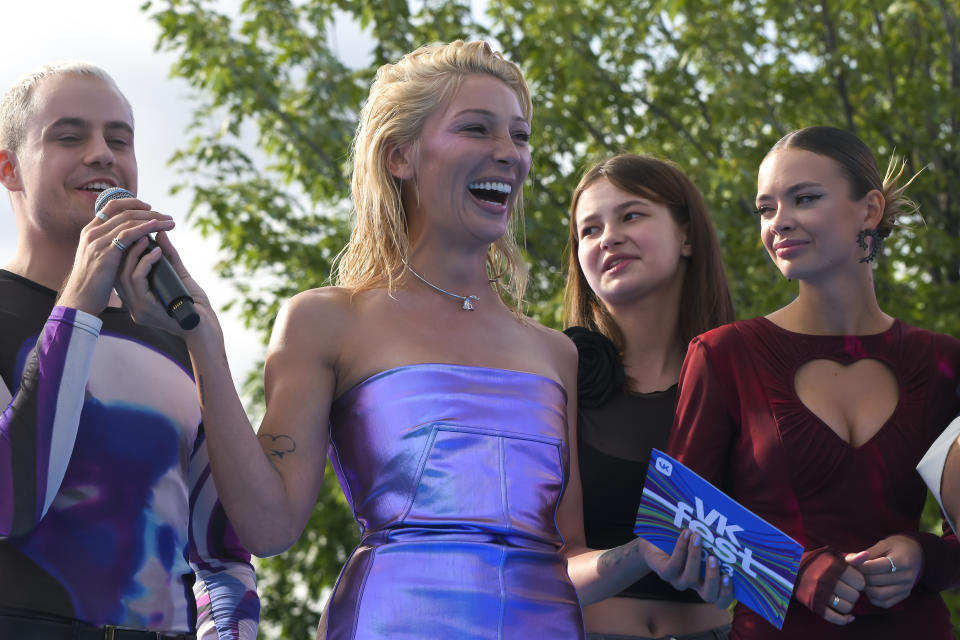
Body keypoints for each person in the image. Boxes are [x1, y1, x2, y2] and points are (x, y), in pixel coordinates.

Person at [118, 41, 732, 639]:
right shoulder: (326, 320)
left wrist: (638, 556)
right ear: (399, 157)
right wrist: (202, 342)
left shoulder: (555, 351)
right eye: (477, 130)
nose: (508, 154)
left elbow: (564, 555)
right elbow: (268, 527)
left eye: (518, 136)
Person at [667, 125, 960, 639]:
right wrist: (792, 572)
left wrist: (923, 555)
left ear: (869, 210)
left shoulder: (944, 362)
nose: (779, 222)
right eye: (765, 208)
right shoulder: (722, 355)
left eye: (804, 198)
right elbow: (674, 524)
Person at [0, 62, 258, 639]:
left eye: (119, 139)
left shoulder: (171, 330)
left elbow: (222, 553)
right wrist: (78, 308)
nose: (101, 154)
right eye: (69, 137)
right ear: (9, 168)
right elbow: (9, 502)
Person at [563, 153, 735, 640]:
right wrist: (643, 553)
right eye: (589, 230)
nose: (609, 237)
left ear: (686, 235)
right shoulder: (558, 378)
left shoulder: (747, 378)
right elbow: (536, 573)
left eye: (631, 215)